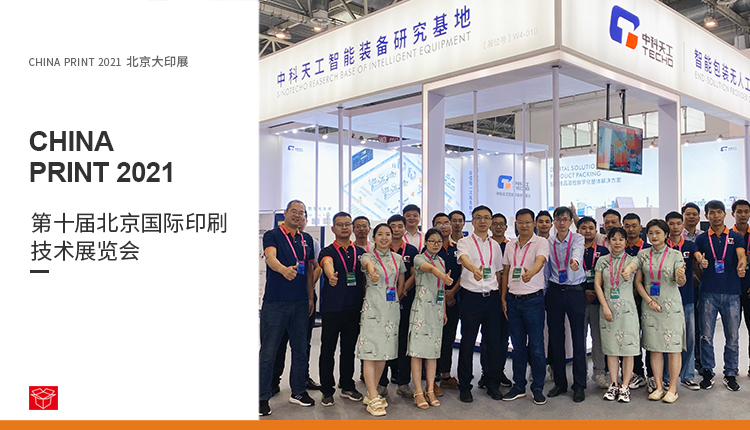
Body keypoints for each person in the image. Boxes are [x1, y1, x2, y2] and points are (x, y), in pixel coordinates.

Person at [259, 200, 317, 416]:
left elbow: (309, 270)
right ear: (285, 213)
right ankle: (262, 397)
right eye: (294, 211)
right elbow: (270, 258)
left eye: (302, 212)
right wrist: (284, 270)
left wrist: (310, 297)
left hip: (300, 303)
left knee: (301, 350)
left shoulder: (306, 239)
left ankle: (298, 392)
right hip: (276, 302)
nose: (298, 215)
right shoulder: (272, 235)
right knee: (269, 352)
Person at [633, 219, 687, 403]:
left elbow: (681, 282)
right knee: (654, 348)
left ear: (666, 235)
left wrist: (681, 277)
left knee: (673, 349)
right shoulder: (642, 254)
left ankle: (672, 388)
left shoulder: (675, 255)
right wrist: (648, 301)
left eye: (658, 233)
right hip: (650, 307)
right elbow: (638, 282)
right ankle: (658, 387)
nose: (654, 236)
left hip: (671, 307)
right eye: (651, 233)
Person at [456, 205, 505, 403]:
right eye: (478, 217)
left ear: (491, 221)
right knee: (467, 342)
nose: (483, 221)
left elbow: (497, 272)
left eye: (486, 217)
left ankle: (493, 384)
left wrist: (500, 297)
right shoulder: (464, 242)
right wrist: (474, 269)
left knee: (493, 343)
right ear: (473, 221)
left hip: (492, 298)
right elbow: (464, 259)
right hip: (471, 297)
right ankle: (465, 386)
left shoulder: (495, 246)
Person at [695, 200, 746, 392]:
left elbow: (741, 255)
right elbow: (697, 259)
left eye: (719, 212)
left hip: (732, 293)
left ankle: (730, 373)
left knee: (732, 336)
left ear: (725, 214)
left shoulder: (735, 237)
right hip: (708, 293)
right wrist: (701, 264)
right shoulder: (701, 239)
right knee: (706, 336)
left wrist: (742, 264)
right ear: (706, 216)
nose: (716, 216)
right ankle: (708, 371)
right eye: (712, 213)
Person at [500, 208, 549, 405]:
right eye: (520, 222)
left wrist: (531, 273)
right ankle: (519, 386)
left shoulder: (541, 242)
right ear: (516, 224)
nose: (524, 225)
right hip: (513, 301)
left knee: (536, 347)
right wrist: (503, 298)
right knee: (518, 347)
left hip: (533, 301)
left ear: (534, 223)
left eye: (528, 222)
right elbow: (506, 271)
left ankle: (537, 388)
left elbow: (540, 261)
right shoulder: (510, 245)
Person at [317, 212, 366, 406]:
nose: (344, 227)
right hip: (332, 308)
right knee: (328, 349)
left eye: (347, 224)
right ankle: (327, 390)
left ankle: (347, 385)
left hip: (353, 308)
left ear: (352, 228)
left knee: (349, 349)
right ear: (333, 229)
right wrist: (330, 275)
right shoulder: (327, 251)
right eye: (340, 224)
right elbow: (327, 263)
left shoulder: (360, 252)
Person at [358, 223, 407, 416]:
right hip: (373, 309)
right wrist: (371, 271)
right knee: (370, 352)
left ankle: (372, 392)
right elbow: (366, 265)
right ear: (374, 238)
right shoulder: (368, 256)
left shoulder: (397, 258)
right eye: (380, 234)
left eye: (388, 234)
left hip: (391, 310)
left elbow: (400, 281)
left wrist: (396, 298)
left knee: (384, 353)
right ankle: (372, 395)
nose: (384, 237)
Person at [273, 215, 323, 395]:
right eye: (295, 215)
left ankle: (303, 378)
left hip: (305, 298)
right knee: (279, 342)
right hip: (282, 298)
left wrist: (307, 288)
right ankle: (273, 381)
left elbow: (317, 267)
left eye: (302, 217)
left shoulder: (311, 242)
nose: (299, 221)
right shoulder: (279, 239)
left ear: (306, 221)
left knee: (303, 343)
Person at [544, 206, 587, 403]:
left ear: (571, 221)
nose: (561, 222)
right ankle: (560, 383)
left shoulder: (577, 238)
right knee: (556, 338)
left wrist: (575, 261)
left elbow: (577, 252)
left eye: (565, 219)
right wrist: (545, 292)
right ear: (554, 222)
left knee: (578, 337)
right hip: (554, 291)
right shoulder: (548, 242)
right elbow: (546, 269)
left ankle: (579, 385)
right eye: (558, 219)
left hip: (574, 291)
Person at [593, 227, 640, 403]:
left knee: (628, 349)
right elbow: (597, 285)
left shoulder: (632, 259)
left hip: (628, 310)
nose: (617, 242)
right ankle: (614, 384)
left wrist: (628, 270)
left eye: (621, 239)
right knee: (611, 348)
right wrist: (605, 306)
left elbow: (635, 271)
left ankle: (625, 386)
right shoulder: (602, 261)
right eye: (614, 239)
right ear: (608, 241)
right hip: (608, 309)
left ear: (626, 241)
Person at [409, 228, 454, 409]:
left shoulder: (442, 261)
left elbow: (441, 289)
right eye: (432, 241)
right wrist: (440, 274)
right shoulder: (419, 258)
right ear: (426, 242)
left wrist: (443, 311)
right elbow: (428, 269)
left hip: (436, 310)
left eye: (439, 241)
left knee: (433, 353)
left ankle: (430, 389)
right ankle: (418, 391)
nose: (436, 244)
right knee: (417, 352)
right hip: (421, 310)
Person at [664, 211, 703, 391]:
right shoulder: (662, 247)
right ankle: (666, 376)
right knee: (667, 338)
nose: (675, 227)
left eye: (678, 223)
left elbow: (697, 256)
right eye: (671, 223)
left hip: (686, 298)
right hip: (666, 299)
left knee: (689, 338)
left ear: (682, 225)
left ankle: (687, 376)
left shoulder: (689, 245)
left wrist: (701, 260)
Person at [387, 214, 419, 399]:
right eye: (393, 226)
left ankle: (403, 382)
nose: (397, 229)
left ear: (404, 228)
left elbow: (414, 274)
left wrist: (402, 290)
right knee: (387, 338)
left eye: (400, 226)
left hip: (406, 299)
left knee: (405, 340)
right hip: (386, 301)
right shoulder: (382, 248)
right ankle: (382, 381)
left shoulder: (412, 250)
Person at [577, 216, 610, 389]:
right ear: (577, 231)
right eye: (583, 228)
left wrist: (596, 292)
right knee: (579, 338)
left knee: (598, 339)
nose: (587, 231)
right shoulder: (573, 250)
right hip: (578, 300)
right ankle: (580, 373)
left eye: (590, 228)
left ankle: (599, 372)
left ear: (596, 231)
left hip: (599, 301)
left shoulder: (603, 251)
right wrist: (583, 291)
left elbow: (608, 276)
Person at [431, 213, 463, 390]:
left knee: (448, 337)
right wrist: (443, 294)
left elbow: (463, 273)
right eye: (439, 223)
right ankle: (432, 377)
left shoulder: (457, 248)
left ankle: (445, 375)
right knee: (433, 337)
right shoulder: (428, 251)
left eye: (446, 223)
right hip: (433, 301)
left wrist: (452, 293)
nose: (443, 226)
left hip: (453, 299)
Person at [622, 212, 652, 391]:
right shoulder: (619, 248)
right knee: (629, 337)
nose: (631, 229)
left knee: (649, 336)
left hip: (645, 298)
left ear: (641, 227)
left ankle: (652, 375)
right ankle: (636, 373)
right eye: (627, 226)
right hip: (625, 300)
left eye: (634, 226)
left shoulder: (648, 249)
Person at [682, 202, 704, 372]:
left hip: (701, 286)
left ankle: (698, 361)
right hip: (683, 286)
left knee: (698, 326)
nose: (691, 217)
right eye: (688, 214)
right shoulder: (675, 237)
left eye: (694, 214)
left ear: (699, 217)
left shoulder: (702, 236)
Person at [731, 199, 750, 379]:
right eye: (739, 212)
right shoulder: (728, 236)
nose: (743, 215)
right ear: (733, 214)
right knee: (732, 332)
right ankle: (732, 367)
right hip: (733, 289)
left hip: (749, 289)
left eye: (746, 211)